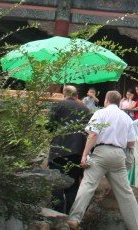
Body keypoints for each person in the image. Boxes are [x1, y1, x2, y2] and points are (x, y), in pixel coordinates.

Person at [67, 90, 138, 230]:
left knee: (88, 185)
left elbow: (93, 135)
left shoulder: (100, 113)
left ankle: (74, 219)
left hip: (101, 153)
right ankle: (136, 227)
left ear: (106, 100)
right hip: (119, 155)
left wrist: (84, 155)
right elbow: (131, 142)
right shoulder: (126, 118)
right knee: (126, 194)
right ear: (118, 102)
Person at [49, 85, 90, 214]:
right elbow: (89, 131)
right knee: (73, 184)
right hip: (78, 151)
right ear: (76, 95)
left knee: (56, 183)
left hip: (58, 150)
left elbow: (49, 126)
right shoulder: (85, 109)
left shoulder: (57, 105)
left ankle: (57, 215)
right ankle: (70, 216)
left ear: (64, 94)